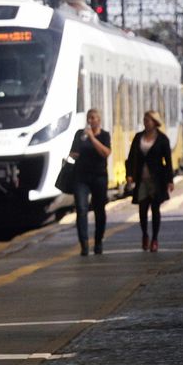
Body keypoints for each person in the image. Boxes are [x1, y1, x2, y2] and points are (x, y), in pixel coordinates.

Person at [125, 110, 176, 253]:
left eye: (148, 120)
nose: (145, 123)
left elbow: (168, 161)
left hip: (157, 180)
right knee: (142, 209)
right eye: (144, 120)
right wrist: (129, 175)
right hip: (141, 180)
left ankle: (155, 239)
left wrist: (170, 180)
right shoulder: (138, 137)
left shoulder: (162, 139)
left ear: (155, 122)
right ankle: (145, 235)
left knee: (155, 209)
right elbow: (131, 157)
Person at [69, 108, 111, 255]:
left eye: (93, 118)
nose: (90, 121)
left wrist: (92, 138)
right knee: (81, 209)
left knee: (99, 210)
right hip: (81, 177)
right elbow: (73, 152)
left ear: (99, 120)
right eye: (88, 118)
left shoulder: (105, 135)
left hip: (99, 176)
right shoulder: (80, 135)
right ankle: (84, 244)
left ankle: (98, 242)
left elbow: (105, 153)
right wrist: (75, 154)